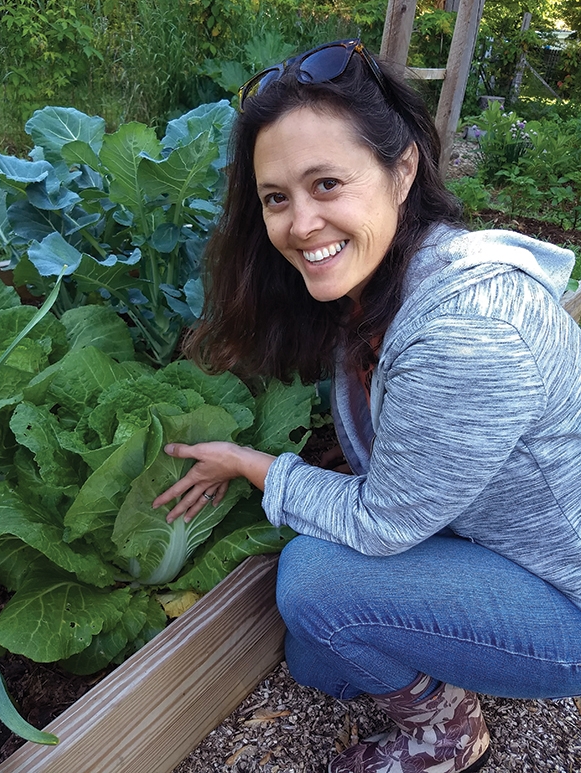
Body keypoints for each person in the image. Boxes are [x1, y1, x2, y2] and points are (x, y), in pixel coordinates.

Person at [152, 38, 581, 773]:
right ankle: (448, 649)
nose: (300, 224)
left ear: (402, 167)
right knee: (320, 660)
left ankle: (448, 734)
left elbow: (382, 524)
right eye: (276, 198)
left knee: (316, 582)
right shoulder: (392, 279)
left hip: (563, 593)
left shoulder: (465, 329)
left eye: (326, 184)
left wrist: (254, 464)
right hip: (501, 544)